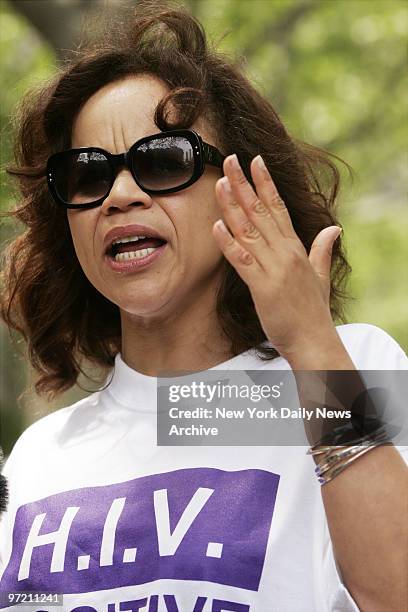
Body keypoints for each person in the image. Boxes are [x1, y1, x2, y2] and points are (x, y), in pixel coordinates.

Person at [0, 3, 407, 611]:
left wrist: (310, 346)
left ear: (243, 191)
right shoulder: (41, 456)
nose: (120, 195)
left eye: (162, 160)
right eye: (88, 175)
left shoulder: (345, 370)